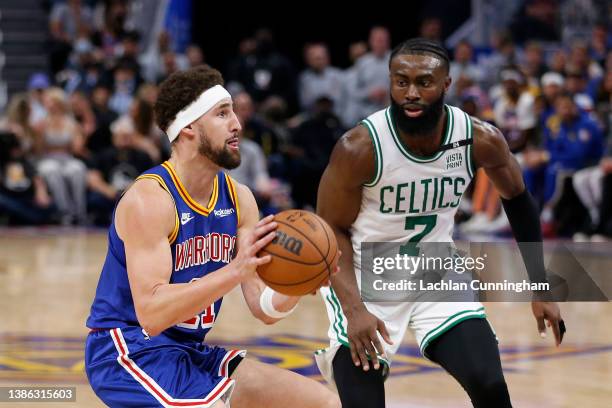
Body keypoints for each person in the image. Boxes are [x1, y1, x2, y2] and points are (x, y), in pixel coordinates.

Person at [315, 38, 565, 408]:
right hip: (367, 276)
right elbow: (330, 230)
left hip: (437, 269)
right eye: (401, 82)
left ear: (446, 84)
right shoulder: (360, 148)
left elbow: (518, 201)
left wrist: (539, 285)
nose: (411, 93)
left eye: (424, 82)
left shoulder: (480, 139)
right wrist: (354, 310)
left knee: (491, 386)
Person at [84, 66, 340, 408]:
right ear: (188, 127)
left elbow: (264, 308)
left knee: (322, 403)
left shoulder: (239, 198)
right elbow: (153, 313)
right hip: (128, 352)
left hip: (189, 351)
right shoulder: (149, 200)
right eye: (223, 114)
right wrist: (237, 269)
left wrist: (297, 285)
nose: (237, 124)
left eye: (233, 112)